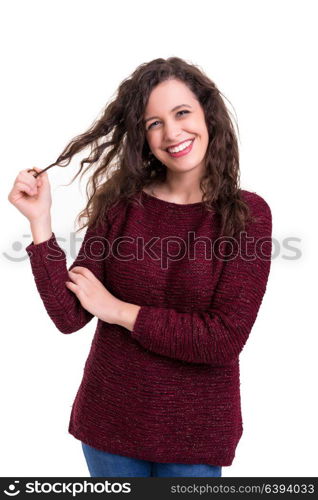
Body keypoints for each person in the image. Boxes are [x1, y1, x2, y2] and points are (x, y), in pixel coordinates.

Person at [8, 57, 272, 477]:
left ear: (208, 114)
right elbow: (69, 314)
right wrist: (40, 223)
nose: (172, 133)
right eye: (154, 123)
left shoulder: (247, 215)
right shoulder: (122, 205)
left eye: (182, 113)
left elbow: (222, 339)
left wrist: (116, 310)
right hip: (108, 426)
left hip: (194, 437)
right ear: (142, 137)